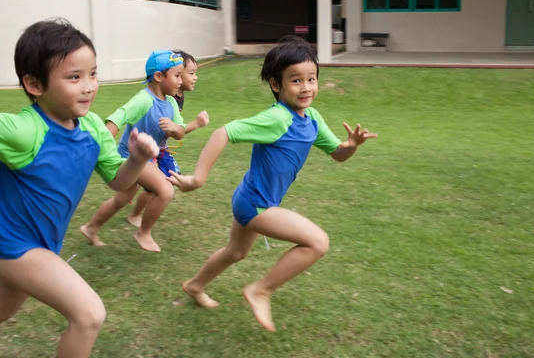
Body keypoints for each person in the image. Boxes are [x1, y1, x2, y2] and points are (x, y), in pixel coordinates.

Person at [0, 19, 160, 357]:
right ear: (35, 84)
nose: (88, 87)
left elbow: (118, 181)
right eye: (74, 77)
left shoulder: (94, 128)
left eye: (92, 74)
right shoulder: (23, 131)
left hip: (44, 245)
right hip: (13, 246)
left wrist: (137, 159)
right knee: (89, 314)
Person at [168, 36, 378, 332]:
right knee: (317, 242)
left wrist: (352, 145)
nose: (306, 87)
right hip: (256, 204)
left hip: (250, 197)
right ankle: (260, 290)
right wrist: (198, 178)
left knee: (235, 253)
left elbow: (338, 154)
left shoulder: (312, 119)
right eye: (295, 80)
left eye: (311, 79)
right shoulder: (277, 118)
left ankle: (194, 285)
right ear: (276, 85)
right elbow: (223, 133)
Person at [80, 50, 186, 252]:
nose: (180, 81)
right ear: (158, 76)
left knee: (121, 199)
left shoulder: (171, 103)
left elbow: (180, 132)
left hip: (146, 157)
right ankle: (143, 233)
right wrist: (101, 148)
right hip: (130, 156)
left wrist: (175, 128)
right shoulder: (144, 100)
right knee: (165, 191)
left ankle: (90, 228)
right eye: (177, 75)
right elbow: (116, 118)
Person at [127, 50, 209, 227]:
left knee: (166, 182)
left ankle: (135, 212)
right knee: (151, 187)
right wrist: (195, 123)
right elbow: (171, 129)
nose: (195, 78)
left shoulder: (175, 98)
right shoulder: (164, 95)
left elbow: (175, 130)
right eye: (191, 73)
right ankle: (133, 214)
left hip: (159, 149)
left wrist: (179, 127)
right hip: (146, 149)